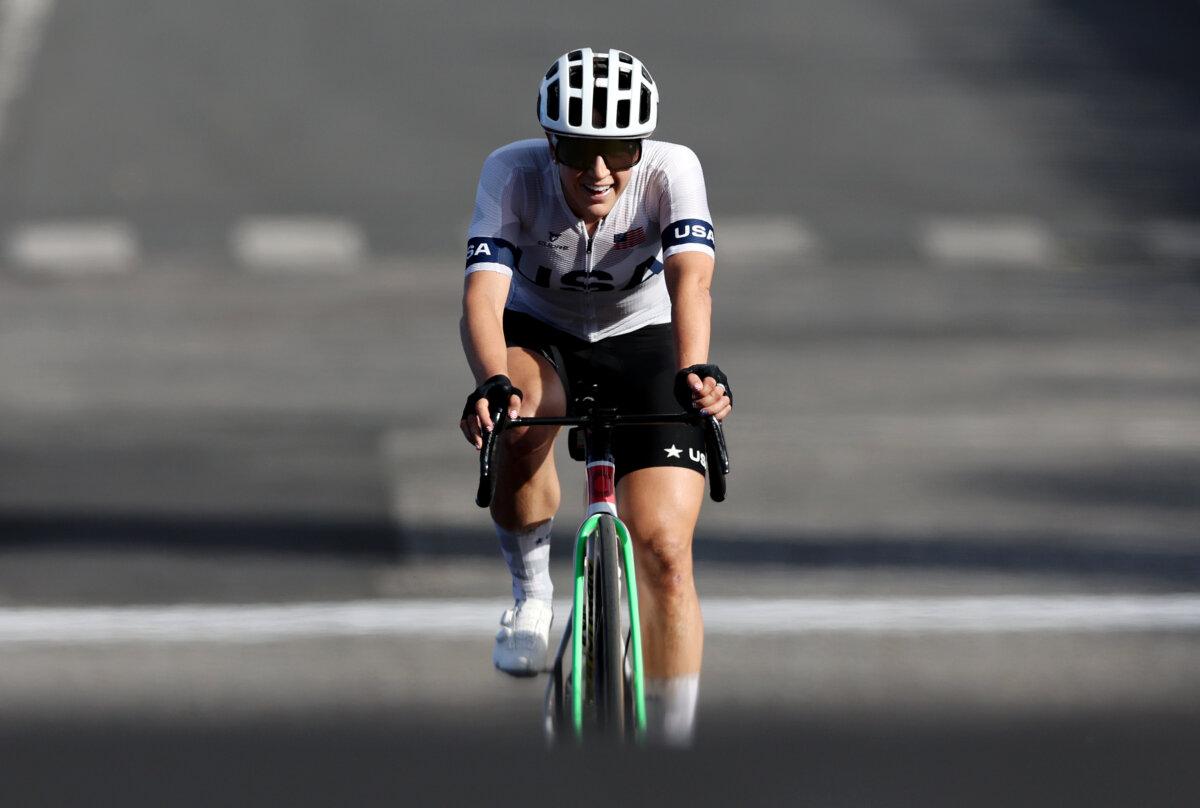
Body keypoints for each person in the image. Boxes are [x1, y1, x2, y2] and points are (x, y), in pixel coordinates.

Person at [458, 47, 732, 745]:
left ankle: (674, 747)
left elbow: (692, 280)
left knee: (667, 555)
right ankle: (531, 594)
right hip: (540, 330)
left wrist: (695, 369)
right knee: (518, 415)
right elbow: (482, 298)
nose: (600, 170)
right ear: (551, 142)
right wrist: (490, 380)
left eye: (619, 149)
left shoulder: (674, 170)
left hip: (644, 337)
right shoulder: (511, 171)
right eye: (580, 149)